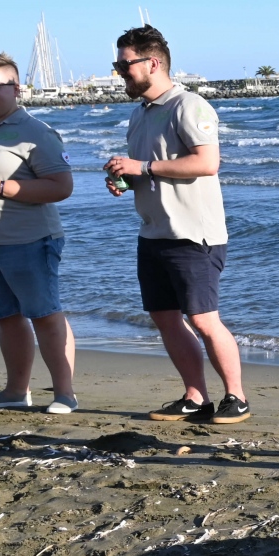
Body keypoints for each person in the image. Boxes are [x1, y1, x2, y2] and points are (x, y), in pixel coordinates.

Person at [104, 26, 250, 425]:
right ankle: (195, 396)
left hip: (193, 233)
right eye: (117, 65)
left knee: (203, 318)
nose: (120, 72)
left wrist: (143, 167)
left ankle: (236, 397)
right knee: (165, 318)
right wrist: (125, 179)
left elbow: (207, 162)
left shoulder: (189, 105)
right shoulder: (140, 114)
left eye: (125, 64)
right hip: (154, 232)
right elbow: (150, 170)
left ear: (152, 63)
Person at [0, 53, 78, 413]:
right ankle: (16, 392)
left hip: (28, 240)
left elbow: (61, 187)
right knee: (6, 316)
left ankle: (65, 394)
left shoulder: (36, 132)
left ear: (16, 88)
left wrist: (0, 188)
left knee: (44, 314)